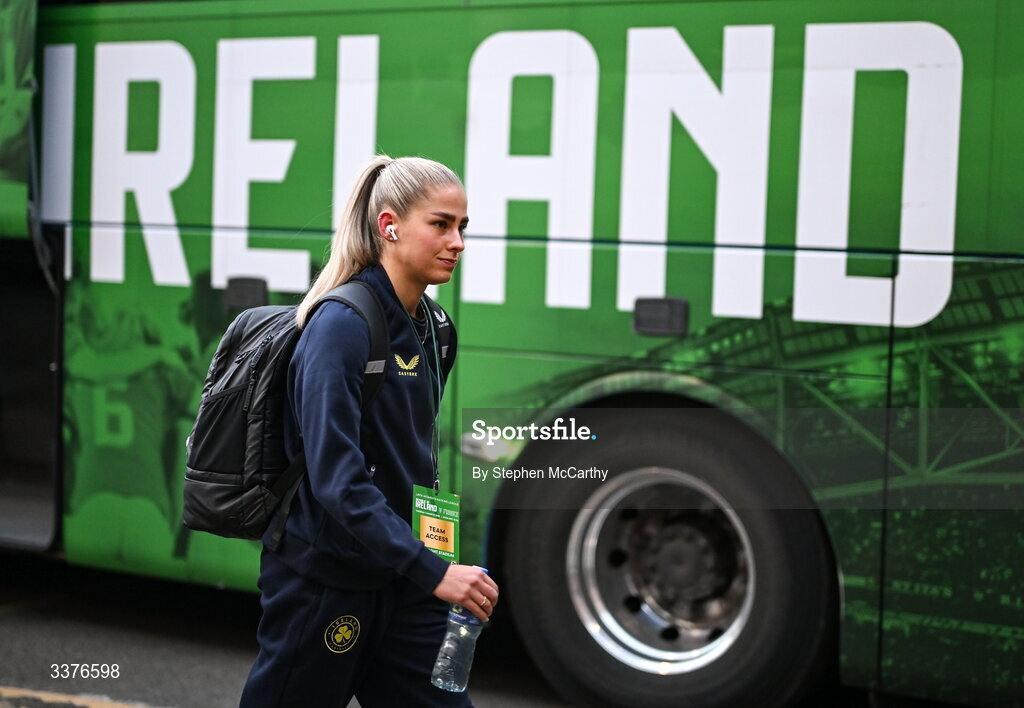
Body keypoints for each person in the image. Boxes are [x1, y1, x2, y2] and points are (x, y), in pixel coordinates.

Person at [239, 156, 499, 707]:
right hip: (327, 583)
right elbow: (338, 480)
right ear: (389, 226)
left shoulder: (437, 328)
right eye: (441, 224)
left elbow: (411, 459)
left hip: (405, 584)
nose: (457, 241)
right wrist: (434, 570)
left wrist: (433, 563)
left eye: (463, 227)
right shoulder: (341, 327)